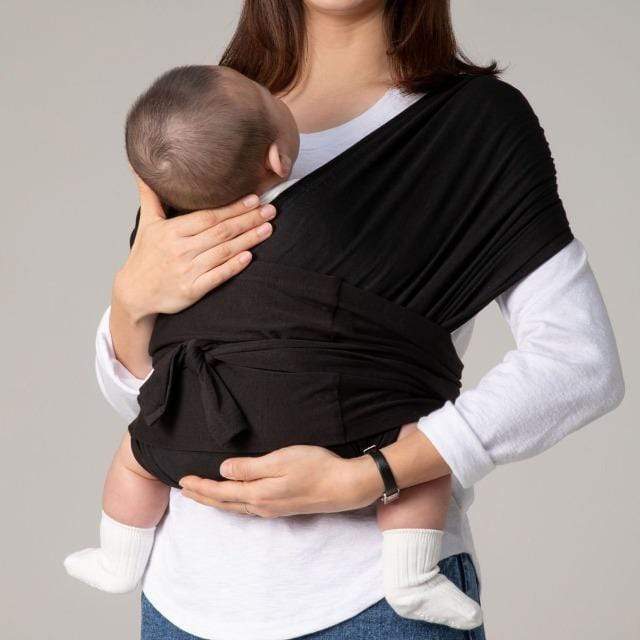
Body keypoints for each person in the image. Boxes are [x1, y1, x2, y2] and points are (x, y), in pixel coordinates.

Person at [91, 2, 625, 639]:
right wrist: (130, 302)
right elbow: (156, 394)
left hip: (374, 600)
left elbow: (578, 364)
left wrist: (370, 476)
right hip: (184, 599)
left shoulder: (471, 125)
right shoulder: (209, 116)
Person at [64, 63, 483, 630]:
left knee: (136, 458)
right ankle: (411, 576)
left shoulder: (172, 241)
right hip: (326, 426)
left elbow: (144, 392)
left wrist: (134, 296)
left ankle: (117, 557)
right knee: (419, 455)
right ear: (278, 160)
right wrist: (128, 300)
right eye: (266, 93)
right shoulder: (344, 217)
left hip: (192, 439)